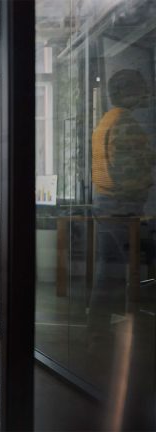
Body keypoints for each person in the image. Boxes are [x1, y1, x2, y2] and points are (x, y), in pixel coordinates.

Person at [89, 69, 155, 352]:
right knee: (113, 271)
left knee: (109, 269)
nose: (146, 93)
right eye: (141, 88)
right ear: (129, 91)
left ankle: (99, 329)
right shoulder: (125, 122)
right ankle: (104, 331)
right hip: (122, 206)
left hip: (107, 203)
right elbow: (128, 169)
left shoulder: (108, 120)